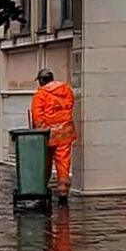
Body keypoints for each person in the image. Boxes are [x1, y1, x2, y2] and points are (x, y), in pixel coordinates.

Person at [30, 67, 76, 205]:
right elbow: (69, 106)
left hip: (48, 133)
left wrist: (42, 130)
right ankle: (63, 192)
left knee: (45, 161)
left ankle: (42, 189)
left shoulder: (41, 94)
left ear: (42, 81)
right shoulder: (66, 90)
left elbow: (37, 115)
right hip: (65, 132)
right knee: (63, 162)